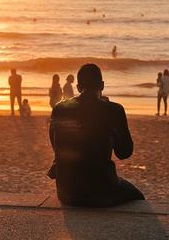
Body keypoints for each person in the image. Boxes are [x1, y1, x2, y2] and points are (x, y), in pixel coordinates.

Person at [49, 63, 144, 207]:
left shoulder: (59, 109)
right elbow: (124, 152)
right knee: (138, 196)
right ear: (102, 85)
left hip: (67, 192)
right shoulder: (114, 110)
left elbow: (56, 144)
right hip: (102, 190)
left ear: (79, 87)